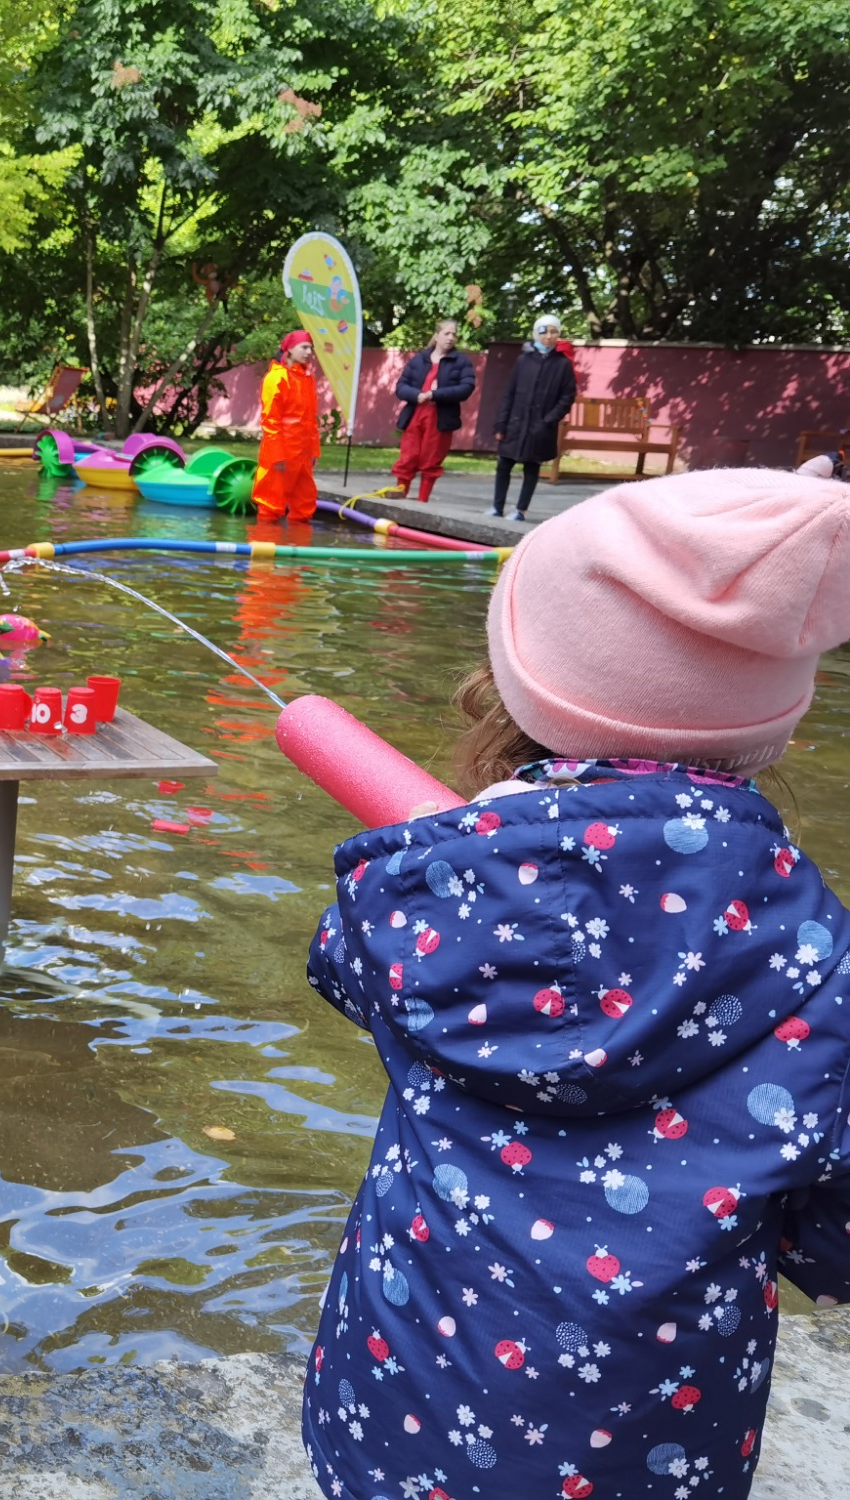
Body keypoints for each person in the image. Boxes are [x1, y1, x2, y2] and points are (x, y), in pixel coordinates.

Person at [301, 469, 850, 1500]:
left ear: (519, 686)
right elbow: (833, 1233)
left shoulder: (425, 895)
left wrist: (476, 842)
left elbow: (345, 969)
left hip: (397, 1408)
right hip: (645, 1447)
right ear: (774, 719)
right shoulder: (821, 962)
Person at [489, 315, 577, 521]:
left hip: (541, 426)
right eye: (544, 331)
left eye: (554, 331)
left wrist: (549, 420)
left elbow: (568, 396)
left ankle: (520, 510)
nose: (549, 336)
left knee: (532, 466)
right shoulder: (524, 359)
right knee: (504, 464)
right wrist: (501, 423)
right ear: (536, 333)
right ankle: (497, 507)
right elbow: (510, 392)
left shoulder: (562, 364)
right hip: (516, 423)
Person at [382, 319, 476, 504]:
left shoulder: (461, 362)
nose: (450, 338)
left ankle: (422, 502)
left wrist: (436, 395)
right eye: (447, 333)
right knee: (408, 456)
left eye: (454, 334)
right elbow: (401, 386)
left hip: (440, 418)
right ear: (437, 335)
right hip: (415, 415)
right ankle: (400, 497)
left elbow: (466, 388)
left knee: (431, 459)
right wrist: (416, 395)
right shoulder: (419, 360)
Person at [253, 332, 320, 521]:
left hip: (303, 454)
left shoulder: (307, 377)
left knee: (305, 505)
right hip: (281, 452)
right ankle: (265, 543)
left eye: (311, 348)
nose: (309, 352)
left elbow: (311, 419)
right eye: (304, 347)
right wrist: (277, 454)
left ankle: (299, 546)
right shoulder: (276, 378)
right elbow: (270, 420)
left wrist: (313, 451)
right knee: (270, 504)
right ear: (289, 349)